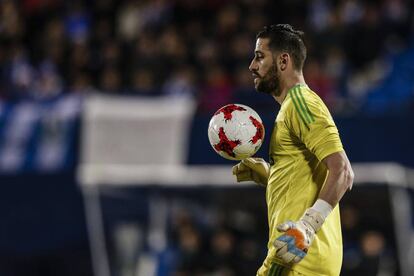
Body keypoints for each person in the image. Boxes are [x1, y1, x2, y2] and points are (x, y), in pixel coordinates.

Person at [232, 24, 354, 276]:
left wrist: (308, 226)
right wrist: (270, 175)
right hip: (299, 258)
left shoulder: (301, 103)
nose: (252, 66)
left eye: (259, 56)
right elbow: (309, 177)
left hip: (297, 259)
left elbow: (342, 171)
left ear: (283, 60)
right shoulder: (290, 108)